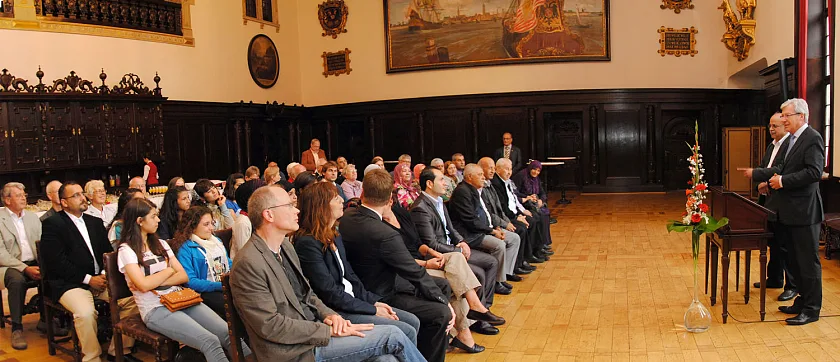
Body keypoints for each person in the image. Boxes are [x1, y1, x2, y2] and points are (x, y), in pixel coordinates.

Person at [230, 185, 425, 361]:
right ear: (269, 215)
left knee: (386, 360)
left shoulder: (285, 248)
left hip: (311, 332)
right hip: (292, 352)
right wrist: (327, 330)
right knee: (393, 334)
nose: (296, 210)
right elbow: (270, 326)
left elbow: (307, 294)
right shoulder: (248, 263)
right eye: (289, 206)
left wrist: (330, 316)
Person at [340, 168, 455, 362]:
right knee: (441, 313)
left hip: (369, 281)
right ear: (388, 201)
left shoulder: (347, 218)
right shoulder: (385, 233)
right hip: (380, 293)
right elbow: (414, 273)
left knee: (442, 286)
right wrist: (446, 304)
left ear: (362, 193)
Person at [293, 182, 421, 345]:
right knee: (406, 329)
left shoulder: (334, 234)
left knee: (413, 321)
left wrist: (373, 301)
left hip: (354, 301)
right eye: (335, 198)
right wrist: (372, 309)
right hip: (338, 311)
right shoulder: (307, 243)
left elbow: (350, 277)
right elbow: (329, 292)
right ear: (321, 206)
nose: (341, 200)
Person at [117, 198, 243, 362]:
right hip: (155, 308)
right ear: (139, 221)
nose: (158, 220)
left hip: (180, 298)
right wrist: (169, 270)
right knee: (209, 341)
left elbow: (182, 276)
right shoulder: (126, 250)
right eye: (153, 216)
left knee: (227, 333)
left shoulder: (161, 243)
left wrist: (154, 280)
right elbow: (142, 285)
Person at [743, 98, 825, 326]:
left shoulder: (812, 138)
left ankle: (812, 309)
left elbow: (814, 172)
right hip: (788, 211)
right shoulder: (792, 141)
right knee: (795, 262)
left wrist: (784, 181)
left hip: (805, 213)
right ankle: (801, 300)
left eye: (787, 115)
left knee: (808, 263)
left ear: (801, 116)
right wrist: (768, 176)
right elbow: (783, 168)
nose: (783, 119)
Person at [41, 182, 141, 362]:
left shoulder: (94, 222)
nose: (83, 198)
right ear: (64, 202)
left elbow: (106, 253)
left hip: (100, 279)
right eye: (76, 195)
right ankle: (92, 357)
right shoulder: (52, 224)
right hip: (70, 283)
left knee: (135, 299)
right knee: (85, 313)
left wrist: (103, 274)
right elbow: (57, 263)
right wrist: (88, 279)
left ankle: (117, 350)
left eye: (82, 194)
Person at [411, 167, 502, 321]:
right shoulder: (420, 208)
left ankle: (484, 309)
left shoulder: (439, 201)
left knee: (491, 262)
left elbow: (451, 229)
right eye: (441, 179)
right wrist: (457, 251)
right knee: (478, 272)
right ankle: (479, 315)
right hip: (440, 255)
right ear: (429, 184)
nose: (446, 183)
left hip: (452, 249)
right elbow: (431, 243)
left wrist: (461, 242)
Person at [449, 164, 521, 295]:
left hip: (484, 228)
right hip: (470, 234)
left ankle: (504, 275)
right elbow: (470, 220)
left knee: (514, 238)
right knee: (499, 245)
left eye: (483, 174)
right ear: (469, 177)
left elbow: (487, 213)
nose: (483, 178)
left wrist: (496, 227)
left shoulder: (475, 190)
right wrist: (492, 231)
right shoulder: (462, 192)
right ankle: (496, 283)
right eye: (480, 175)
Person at [0, 182, 54, 349]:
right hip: (9, 265)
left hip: (34, 261)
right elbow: (1, 254)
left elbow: (42, 244)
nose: (24, 197)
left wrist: (43, 264)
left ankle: (47, 320)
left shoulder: (32, 217)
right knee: (17, 281)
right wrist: (25, 268)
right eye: (18, 195)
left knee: (53, 272)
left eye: (24, 194)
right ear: (7, 200)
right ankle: (17, 328)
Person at [750, 113, 796, 302]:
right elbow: (764, 166)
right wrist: (759, 183)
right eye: (770, 125)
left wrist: (765, 183)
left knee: (787, 245)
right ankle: (774, 278)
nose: (771, 129)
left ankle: (791, 286)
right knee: (774, 243)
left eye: (775, 126)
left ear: (785, 127)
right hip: (768, 201)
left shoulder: (790, 146)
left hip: (783, 201)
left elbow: (782, 170)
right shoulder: (771, 145)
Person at [478, 157, 539, 275]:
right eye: (490, 168)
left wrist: (516, 216)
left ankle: (525, 258)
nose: (492, 170)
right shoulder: (492, 184)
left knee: (533, 218)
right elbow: (494, 212)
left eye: (493, 168)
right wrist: (506, 223)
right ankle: (514, 267)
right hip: (490, 226)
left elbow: (501, 208)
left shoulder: (491, 184)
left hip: (501, 219)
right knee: (520, 229)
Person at [170, 206, 232, 319]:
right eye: (206, 224)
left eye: (212, 223)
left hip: (225, 284)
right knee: (234, 304)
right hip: (205, 291)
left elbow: (228, 263)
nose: (211, 228)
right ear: (192, 227)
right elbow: (190, 281)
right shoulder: (186, 248)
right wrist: (220, 285)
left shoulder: (216, 241)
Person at [493, 158, 549, 268]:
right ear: (498, 169)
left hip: (516, 210)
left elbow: (514, 199)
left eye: (510, 169)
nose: (509, 172)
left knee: (535, 218)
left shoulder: (507, 181)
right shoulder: (497, 184)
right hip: (508, 216)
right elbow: (504, 206)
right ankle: (520, 262)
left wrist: (523, 211)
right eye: (506, 169)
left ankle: (534, 251)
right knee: (524, 227)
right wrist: (518, 216)